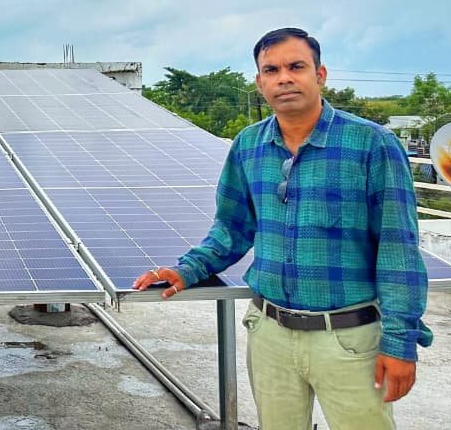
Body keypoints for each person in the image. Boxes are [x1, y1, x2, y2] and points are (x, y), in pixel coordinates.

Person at [132, 27, 431, 430]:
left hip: (348, 338)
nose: (284, 78)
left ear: (320, 75)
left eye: (296, 67)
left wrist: (400, 342)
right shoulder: (248, 145)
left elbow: (399, 250)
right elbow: (232, 229)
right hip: (270, 334)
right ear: (259, 82)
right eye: (271, 70)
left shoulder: (371, 144)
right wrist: (187, 269)